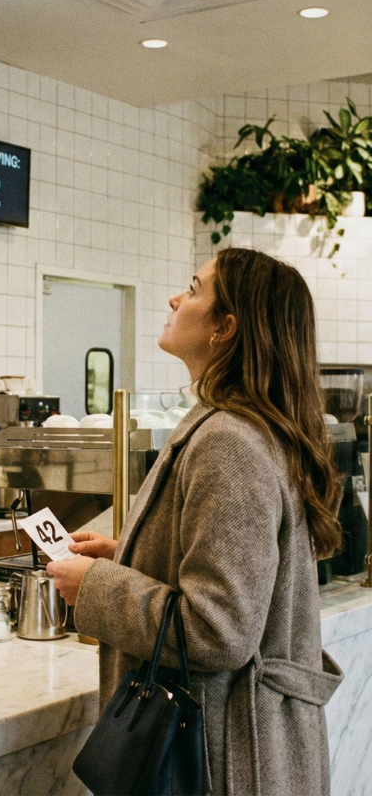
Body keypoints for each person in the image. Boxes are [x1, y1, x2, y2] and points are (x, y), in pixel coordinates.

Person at [48, 248, 344, 795]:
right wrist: (131, 555)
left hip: (222, 761)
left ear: (225, 328)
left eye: (193, 287)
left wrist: (97, 585)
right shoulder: (243, 428)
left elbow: (218, 630)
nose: (174, 298)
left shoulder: (229, 441)